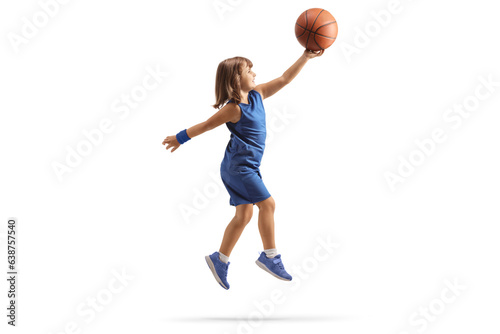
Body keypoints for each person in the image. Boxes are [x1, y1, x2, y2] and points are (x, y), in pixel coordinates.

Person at [162, 49, 324, 290]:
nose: (255, 73)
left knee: (244, 215)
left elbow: (285, 78)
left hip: (247, 167)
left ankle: (220, 259)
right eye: (249, 71)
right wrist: (179, 137)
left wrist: (306, 57)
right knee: (268, 205)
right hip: (238, 168)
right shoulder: (233, 108)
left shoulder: (258, 94)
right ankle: (270, 256)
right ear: (236, 80)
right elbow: (206, 125)